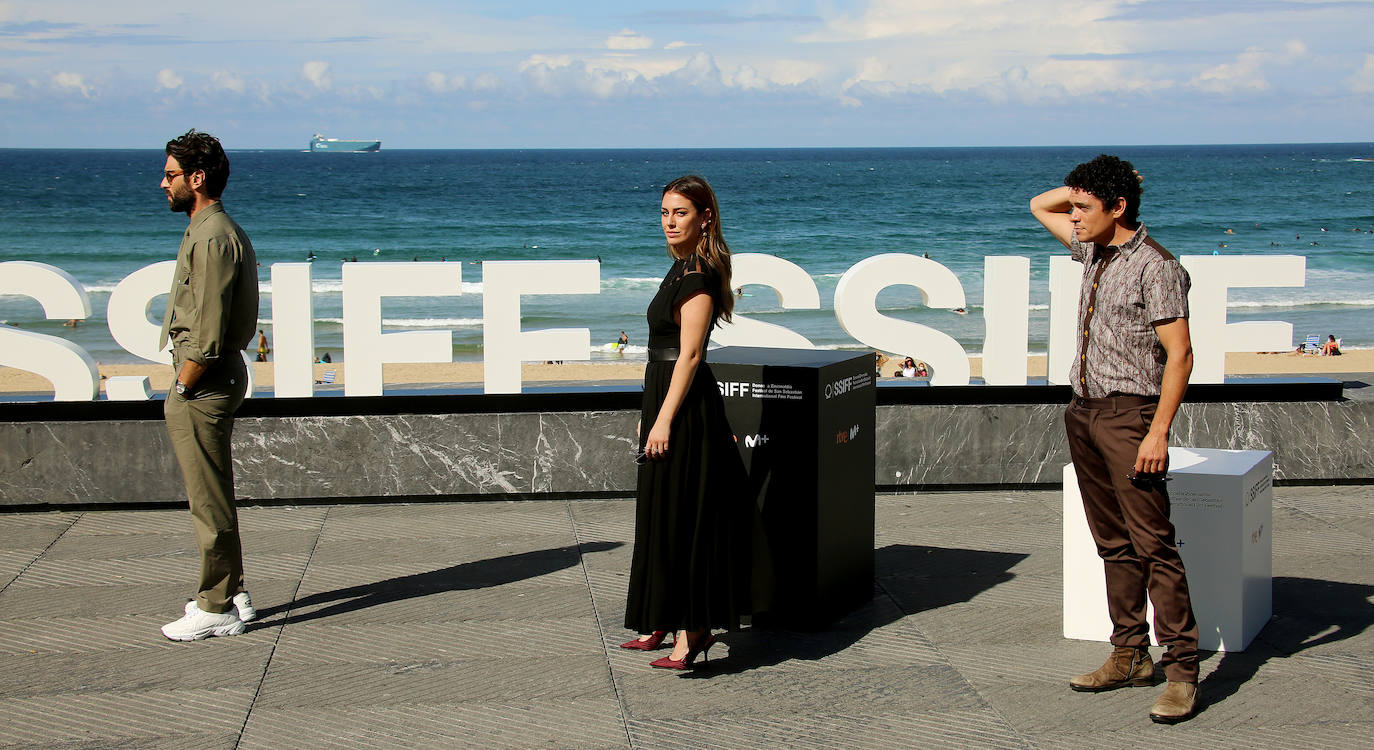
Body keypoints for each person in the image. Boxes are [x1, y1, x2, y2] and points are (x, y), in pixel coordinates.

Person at [1031, 154, 1200, 724]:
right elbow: (1039, 205)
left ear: (1118, 209)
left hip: (1132, 418)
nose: (1072, 216)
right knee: (1112, 542)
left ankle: (1181, 670)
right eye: (1074, 206)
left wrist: (1158, 432)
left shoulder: (1157, 267)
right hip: (1083, 412)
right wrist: (1091, 188)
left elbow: (1181, 355)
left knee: (1154, 544)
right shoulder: (1091, 249)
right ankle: (1129, 653)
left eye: (1084, 207)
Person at [622, 175, 757, 670]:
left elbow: (691, 354)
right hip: (663, 394)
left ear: (705, 218)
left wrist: (663, 421)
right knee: (660, 514)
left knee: (685, 516)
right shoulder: (677, 268)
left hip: (685, 405)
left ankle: (694, 627)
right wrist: (650, 414)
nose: (669, 222)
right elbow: (664, 354)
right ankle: (662, 616)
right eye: (664, 212)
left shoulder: (698, 275)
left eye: (680, 213)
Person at [156, 130, 260, 641]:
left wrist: (182, 384)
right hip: (208, 379)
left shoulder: (213, 236)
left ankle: (216, 606)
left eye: (171, 174)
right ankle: (231, 591)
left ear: (196, 178)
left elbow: (212, 329)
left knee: (208, 500)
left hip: (204, 383)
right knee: (213, 492)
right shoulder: (209, 230)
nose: (163, 183)